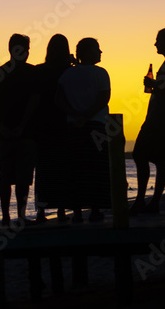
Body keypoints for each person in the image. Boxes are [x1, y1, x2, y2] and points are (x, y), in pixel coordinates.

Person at [56, 37, 112, 222]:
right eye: (97, 49)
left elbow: (59, 100)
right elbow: (104, 99)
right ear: (88, 52)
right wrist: (87, 115)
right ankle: (95, 210)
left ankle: (78, 212)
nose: (100, 52)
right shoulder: (101, 73)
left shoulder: (67, 75)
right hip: (96, 125)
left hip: (74, 126)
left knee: (77, 169)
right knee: (97, 169)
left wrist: (75, 114)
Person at [0, 34, 38, 225]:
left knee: (6, 175)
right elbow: (34, 101)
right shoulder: (32, 73)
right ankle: (20, 215)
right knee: (23, 177)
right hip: (26, 133)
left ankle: (7, 216)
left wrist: (2, 125)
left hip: (8, 133)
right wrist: (20, 126)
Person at [130, 28, 165, 215]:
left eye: (158, 40)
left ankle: (147, 201)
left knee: (142, 155)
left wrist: (153, 85)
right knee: (155, 159)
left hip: (161, 121)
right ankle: (149, 202)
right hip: (159, 119)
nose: (155, 44)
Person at [31, 34, 77, 222]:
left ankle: (41, 211)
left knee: (43, 170)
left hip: (42, 124)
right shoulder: (69, 71)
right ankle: (60, 210)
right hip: (64, 122)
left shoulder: (38, 71)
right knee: (64, 168)